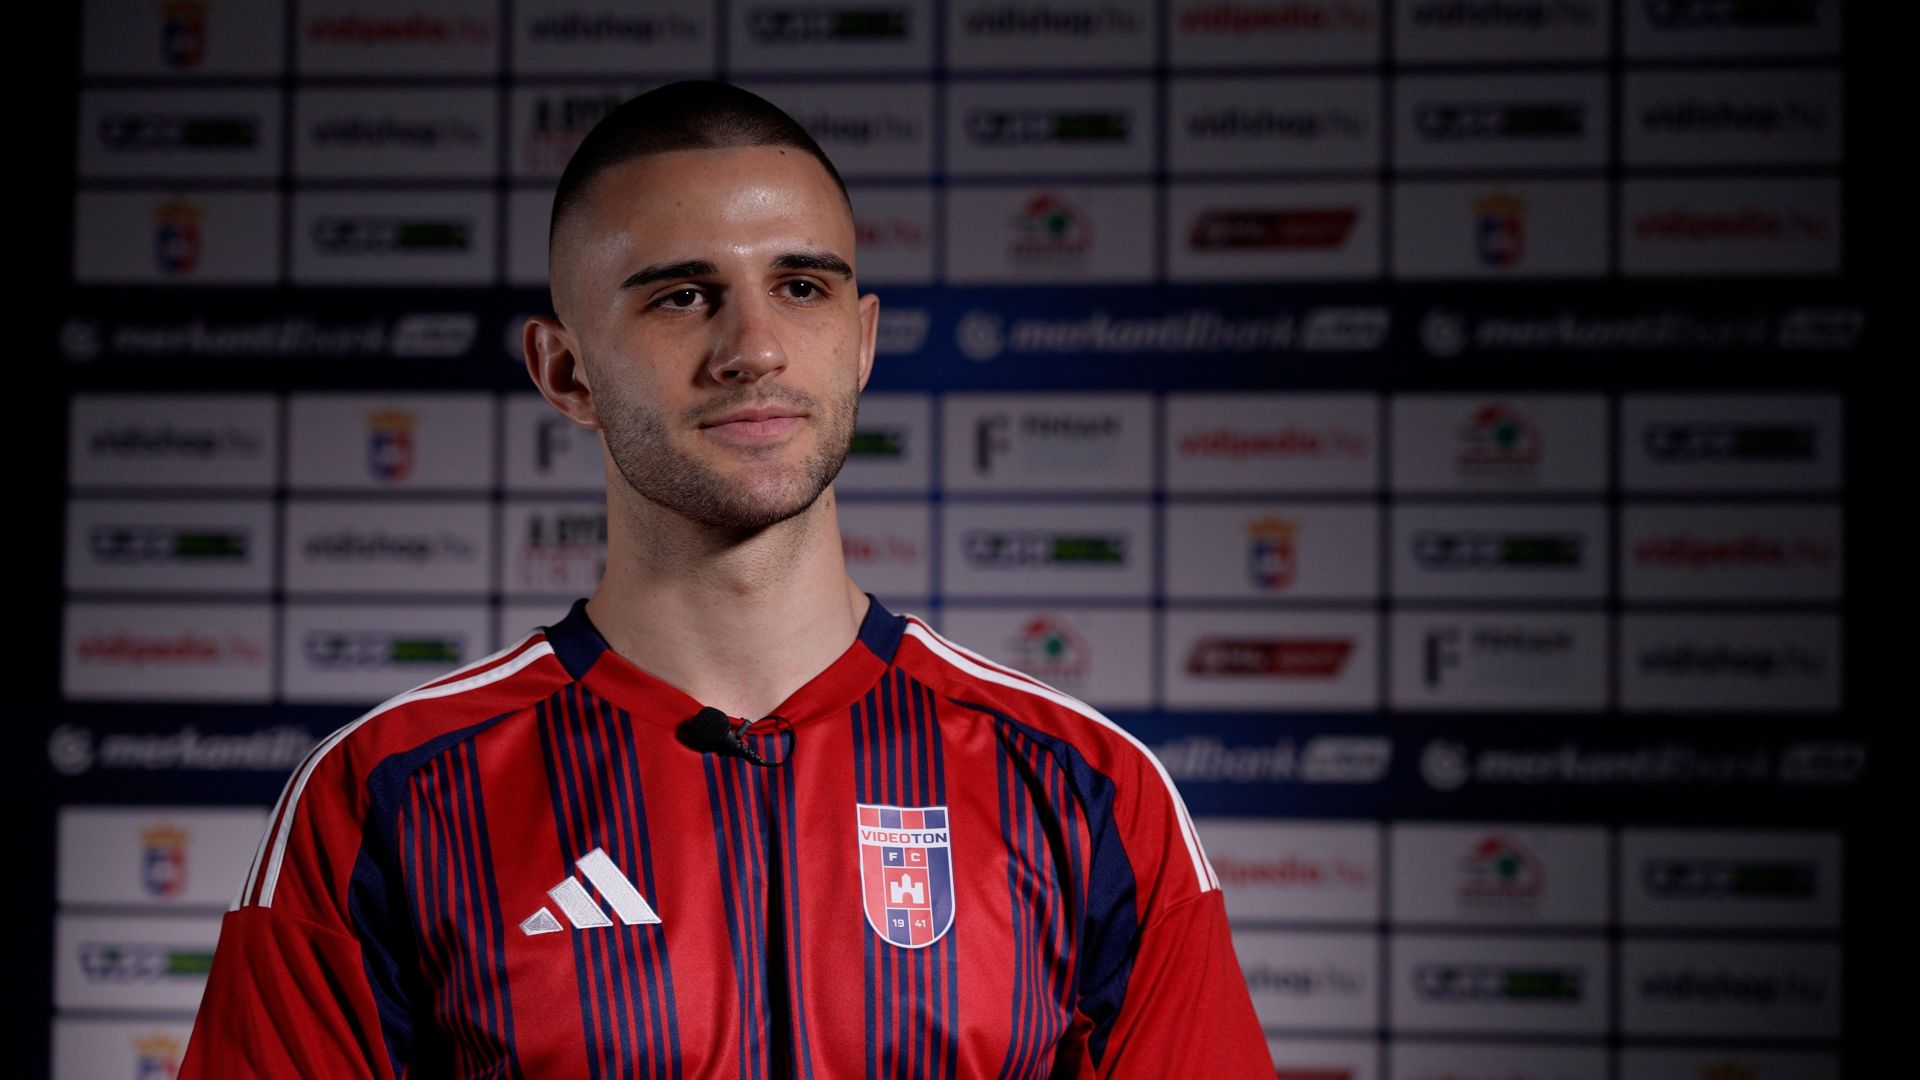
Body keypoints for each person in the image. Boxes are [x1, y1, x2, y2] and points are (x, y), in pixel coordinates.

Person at [182, 81, 1270, 1079]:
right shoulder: (384, 795)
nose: (754, 348)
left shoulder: (1086, 786)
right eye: (681, 297)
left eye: (800, 287)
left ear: (860, 342)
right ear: (565, 370)